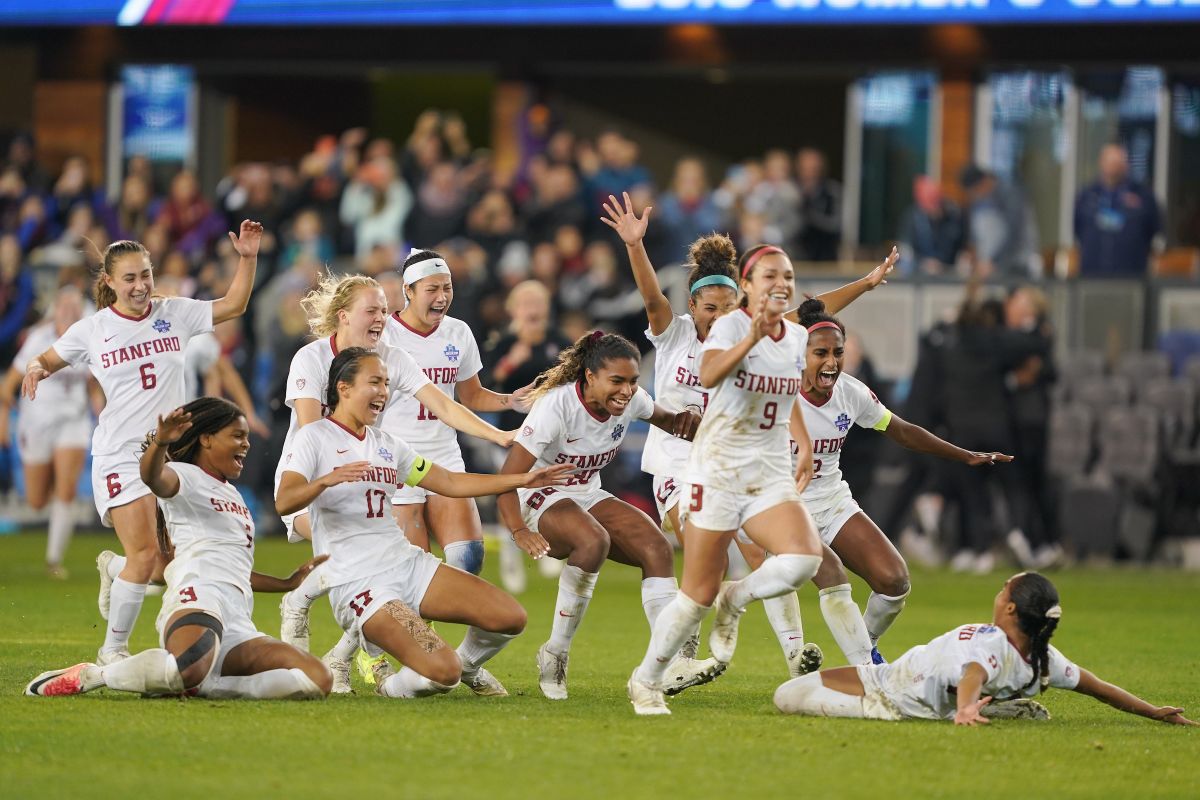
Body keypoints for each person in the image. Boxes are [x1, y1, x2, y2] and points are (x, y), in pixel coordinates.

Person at [601, 192, 897, 689]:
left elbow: (812, 313)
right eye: (707, 308)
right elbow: (653, 296)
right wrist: (636, 246)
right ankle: (672, 658)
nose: (716, 317)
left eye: (725, 307)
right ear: (691, 303)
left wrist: (866, 285)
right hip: (679, 466)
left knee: (775, 558)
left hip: (738, 465)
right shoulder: (673, 335)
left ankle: (795, 653)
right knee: (704, 565)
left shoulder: (754, 332)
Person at [21, 221, 262, 665]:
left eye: (145, 275)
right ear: (109, 282)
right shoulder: (92, 329)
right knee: (146, 555)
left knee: (160, 567)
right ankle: (112, 650)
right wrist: (35, 369)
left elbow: (234, 304)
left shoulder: (175, 312)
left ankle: (113, 570)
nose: (140, 286)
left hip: (171, 454)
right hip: (120, 453)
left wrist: (247, 257)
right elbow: (49, 358)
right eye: (129, 278)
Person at [276, 347, 573, 699]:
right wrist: (325, 481)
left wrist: (520, 480)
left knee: (509, 617)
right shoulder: (314, 438)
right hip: (359, 582)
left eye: (386, 383)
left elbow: (449, 483)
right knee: (441, 674)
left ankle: (468, 665)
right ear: (344, 388)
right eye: (375, 382)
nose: (384, 392)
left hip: (406, 564)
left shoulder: (387, 444)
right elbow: (285, 500)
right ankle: (392, 687)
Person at [739, 298, 1013, 671]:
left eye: (838, 352)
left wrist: (964, 454)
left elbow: (901, 431)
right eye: (821, 353)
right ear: (799, 356)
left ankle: (863, 646)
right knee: (831, 575)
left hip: (831, 500)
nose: (832, 362)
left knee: (894, 581)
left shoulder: (852, 393)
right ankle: (860, 669)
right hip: (783, 506)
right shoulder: (774, 394)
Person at [272, 272, 515, 690]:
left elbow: (441, 403)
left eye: (385, 309)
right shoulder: (311, 359)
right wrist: (340, 470)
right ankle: (301, 598)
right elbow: (313, 428)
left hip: (374, 471)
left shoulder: (389, 357)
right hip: (314, 477)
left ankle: (357, 654)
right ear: (343, 316)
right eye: (373, 310)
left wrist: (497, 435)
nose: (383, 317)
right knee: (347, 546)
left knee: (381, 556)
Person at [626, 244, 823, 716]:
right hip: (703, 468)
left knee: (798, 559)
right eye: (770, 275)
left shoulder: (791, 337)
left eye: (788, 275)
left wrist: (805, 443)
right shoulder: (728, 328)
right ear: (751, 286)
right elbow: (711, 372)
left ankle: (746, 610)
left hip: (765, 468)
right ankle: (647, 678)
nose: (781, 283)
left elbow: (789, 392)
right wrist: (635, 244)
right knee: (697, 591)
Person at [25, 397, 332, 700]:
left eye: (247, 437)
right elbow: (153, 476)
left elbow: (233, 569)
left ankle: (206, 686)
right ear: (207, 439)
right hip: (197, 598)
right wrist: (160, 443)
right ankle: (94, 675)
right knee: (186, 668)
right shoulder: (185, 477)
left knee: (318, 678)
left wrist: (287, 583)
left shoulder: (235, 497)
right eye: (238, 436)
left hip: (238, 619)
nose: (246, 445)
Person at [496, 331, 701, 701]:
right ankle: (555, 653)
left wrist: (697, 422)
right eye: (617, 381)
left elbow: (673, 423)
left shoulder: (633, 401)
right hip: (537, 494)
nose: (627, 390)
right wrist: (515, 529)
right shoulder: (557, 407)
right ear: (589, 376)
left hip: (587, 494)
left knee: (657, 546)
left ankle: (666, 660)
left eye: (634, 381)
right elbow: (508, 477)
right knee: (593, 541)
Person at [774, 572, 1198, 727]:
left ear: (1010, 608)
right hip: (888, 675)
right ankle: (999, 706)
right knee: (794, 691)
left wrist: (964, 710)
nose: (997, 594)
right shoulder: (1044, 659)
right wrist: (1151, 710)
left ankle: (986, 707)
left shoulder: (994, 645)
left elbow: (974, 671)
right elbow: (1100, 688)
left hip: (892, 699)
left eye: (1003, 589)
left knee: (786, 697)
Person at [381, 248, 535, 577]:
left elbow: (470, 395)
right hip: (396, 459)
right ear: (408, 291)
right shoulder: (384, 336)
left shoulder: (458, 332)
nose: (442, 297)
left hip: (444, 454)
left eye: (447, 287)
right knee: (411, 573)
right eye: (432, 289)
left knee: (468, 559)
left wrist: (509, 401)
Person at [0, 286, 93, 578]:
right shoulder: (38, 340)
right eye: (64, 305)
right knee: (38, 500)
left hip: (73, 420)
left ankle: (54, 560)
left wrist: (100, 401)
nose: (69, 311)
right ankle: (51, 478)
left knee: (66, 490)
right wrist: (4, 417)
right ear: (55, 309)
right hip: (37, 423)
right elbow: (10, 382)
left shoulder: (89, 338)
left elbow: (95, 380)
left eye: (75, 306)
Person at [1075, 144, 1160, 277]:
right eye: (1110, 162)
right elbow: (1078, 229)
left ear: (1125, 165)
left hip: (1131, 274)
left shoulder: (1143, 196)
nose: (1113, 167)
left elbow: (1153, 228)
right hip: (1092, 273)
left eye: (1117, 163)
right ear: (1101, 163)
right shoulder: (1086, 196)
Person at [957, 165, 1038, 279]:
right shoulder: (980, 202)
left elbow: (1015, 234)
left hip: (1016, 265)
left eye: (976, 191)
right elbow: (976, 234)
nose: (976, 196)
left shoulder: (1010, 195)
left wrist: (995, 262)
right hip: (990, 268)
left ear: (984, 182)